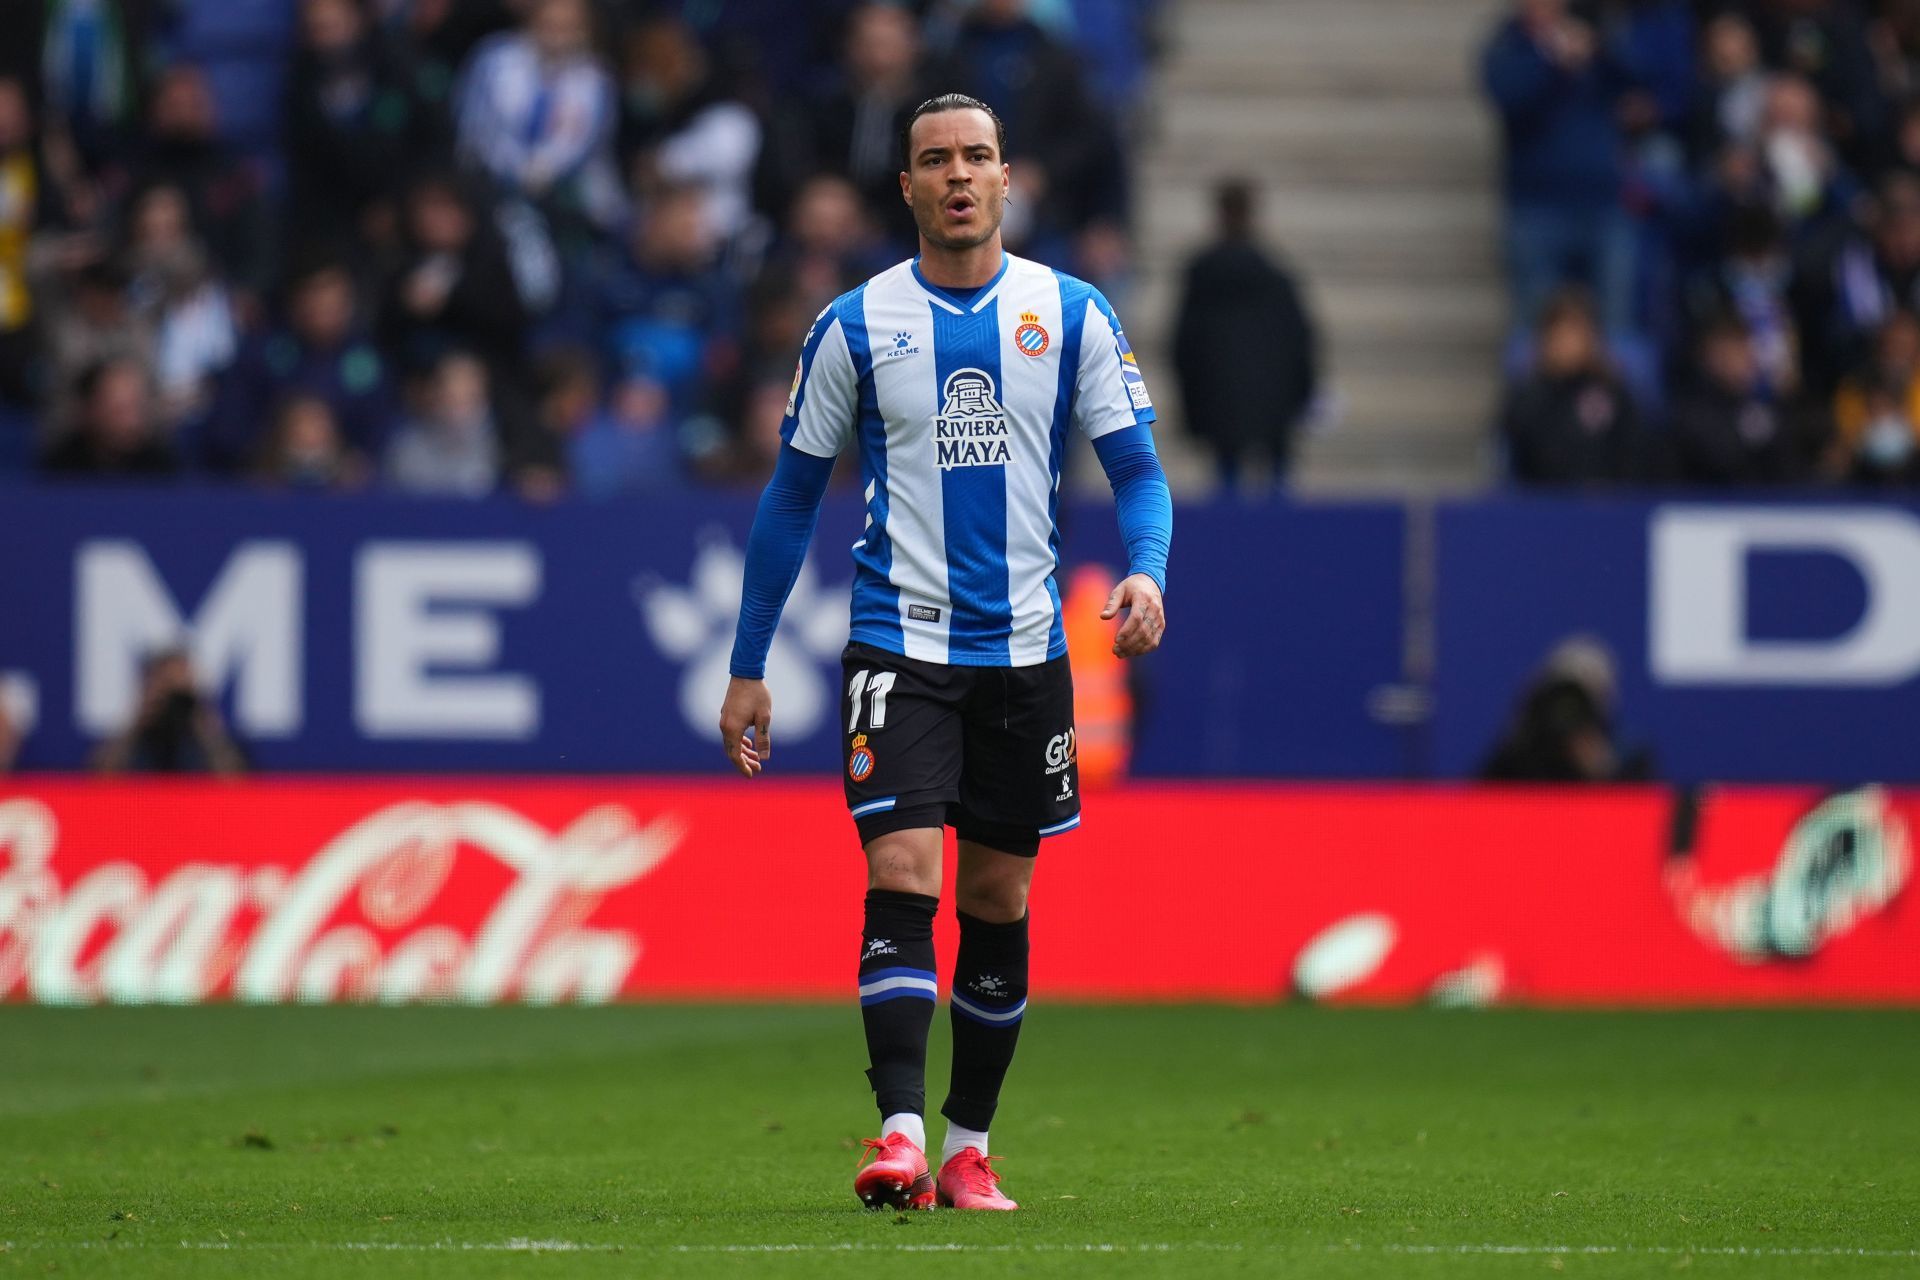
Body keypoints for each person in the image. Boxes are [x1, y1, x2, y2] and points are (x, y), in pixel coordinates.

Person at [720, 94, 1171, 1213]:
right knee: (902, 870)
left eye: (977, 156)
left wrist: (1149, 566)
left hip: (1025, 655)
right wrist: (748, 660)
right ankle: (900, 1133)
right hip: (897, 645)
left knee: (998, 893)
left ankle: (969, 1146)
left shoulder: (1067, 313)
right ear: (908, 187)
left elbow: (1140, 471)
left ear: (1008, 177)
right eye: (936, 161)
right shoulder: (855, 326)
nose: (959, 175)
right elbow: (788, 501)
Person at [1171, 178, 1318, 492]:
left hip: (1218, 402)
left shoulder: (1200, 275)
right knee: (1279, 497)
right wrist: (1303, 395)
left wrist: (1190, 402)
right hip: (1274, 405)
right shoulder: (1277, 276)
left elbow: (1182, 346)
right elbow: (1301, 340)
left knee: (1226, 495)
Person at [92, 647, 247, 775]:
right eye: (165, 685)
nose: (172, 699)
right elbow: (96, 786)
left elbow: (237, 788)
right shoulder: (135, 739)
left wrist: (207, 728)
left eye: (179, 687)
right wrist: (136, 722)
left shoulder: (206, 736)